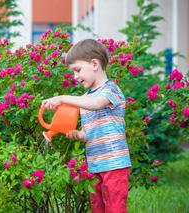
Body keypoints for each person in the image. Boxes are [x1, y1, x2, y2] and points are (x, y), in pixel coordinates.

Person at [42, 39, 131, 213]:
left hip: (115, 165)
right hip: (95, 165)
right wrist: (80, 135)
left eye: (77, 70)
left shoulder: (110, 89)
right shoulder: (85, 98)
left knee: (115, 208)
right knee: (98, 208)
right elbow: (88, 131)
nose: (75, 77)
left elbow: (96, 103)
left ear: (94, 64)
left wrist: (62, 98)